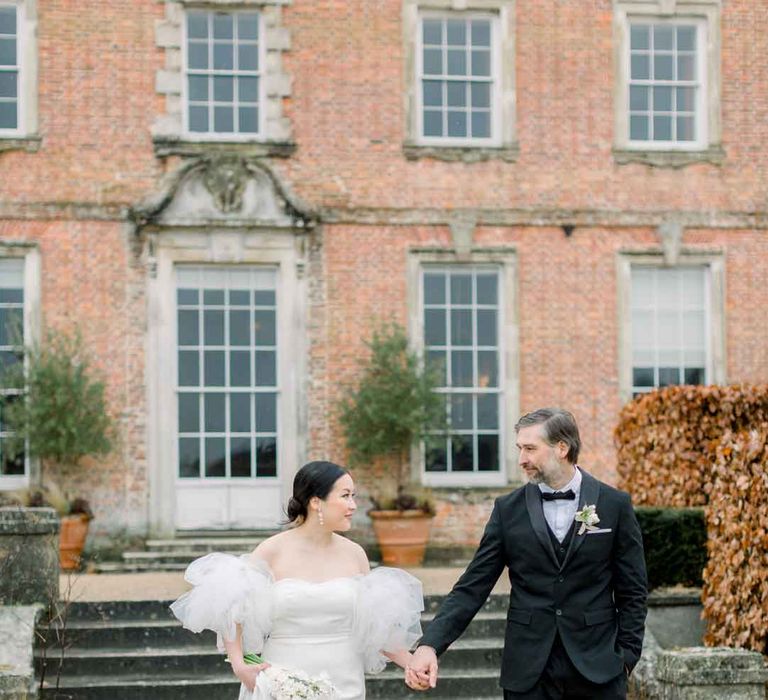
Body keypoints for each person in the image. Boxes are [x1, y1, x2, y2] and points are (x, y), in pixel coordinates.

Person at [405, 408, 647, 699]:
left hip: (599, 668)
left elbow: (632, 590)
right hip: (528, 672)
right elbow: (472, 586)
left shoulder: (614, 504)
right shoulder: (508, 509)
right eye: (520, 448)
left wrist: (627, 657)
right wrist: (429, 645)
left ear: (562, 448)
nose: (521, 459)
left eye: (530, 449)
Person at [171, 460, 425, 700]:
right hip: (283, 679)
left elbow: (375, 626)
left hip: (345, 679)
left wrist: (411, 664)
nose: (353, 505)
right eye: (345, 495)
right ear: (316, 502)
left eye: (353, 496)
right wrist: (239, 664)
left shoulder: (355, 554)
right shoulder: (272, 550)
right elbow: (231, 604)